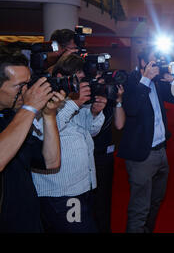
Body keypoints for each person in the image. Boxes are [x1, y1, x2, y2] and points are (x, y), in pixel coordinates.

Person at [32, 54, 107, 233]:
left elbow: (91, 131)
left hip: (82, 186)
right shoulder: (42, 99)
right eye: (79, 79)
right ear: (61, 77)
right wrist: (74, 104)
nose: (83, 85)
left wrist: (95, 113)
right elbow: (43, 133)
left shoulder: (72, 101)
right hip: (60, 192)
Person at [0, 48, 64, 232]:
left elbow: (51, 162)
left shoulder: (12, 118)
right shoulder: (20, 117)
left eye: (28, 84)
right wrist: (29, 107)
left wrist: (49, 116)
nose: (26, 91)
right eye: (19, 86)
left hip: (27, 220)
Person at [118, 46, 174, 233]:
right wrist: (146, 79)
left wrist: (172, 82)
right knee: (139, 210)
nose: (157, 64)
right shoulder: (130, 81)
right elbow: (131, 108)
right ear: (143, 62)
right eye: (153, 60)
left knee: (155, 203)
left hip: (161, 152)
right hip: (141, 156)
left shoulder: (157, 82)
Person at [92, 83, 125, 233]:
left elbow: (119, 124)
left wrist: (118, 100)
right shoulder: (82, 99)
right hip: (85, 156)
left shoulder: (109, 97)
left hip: (104, 156)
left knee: (104, 201)